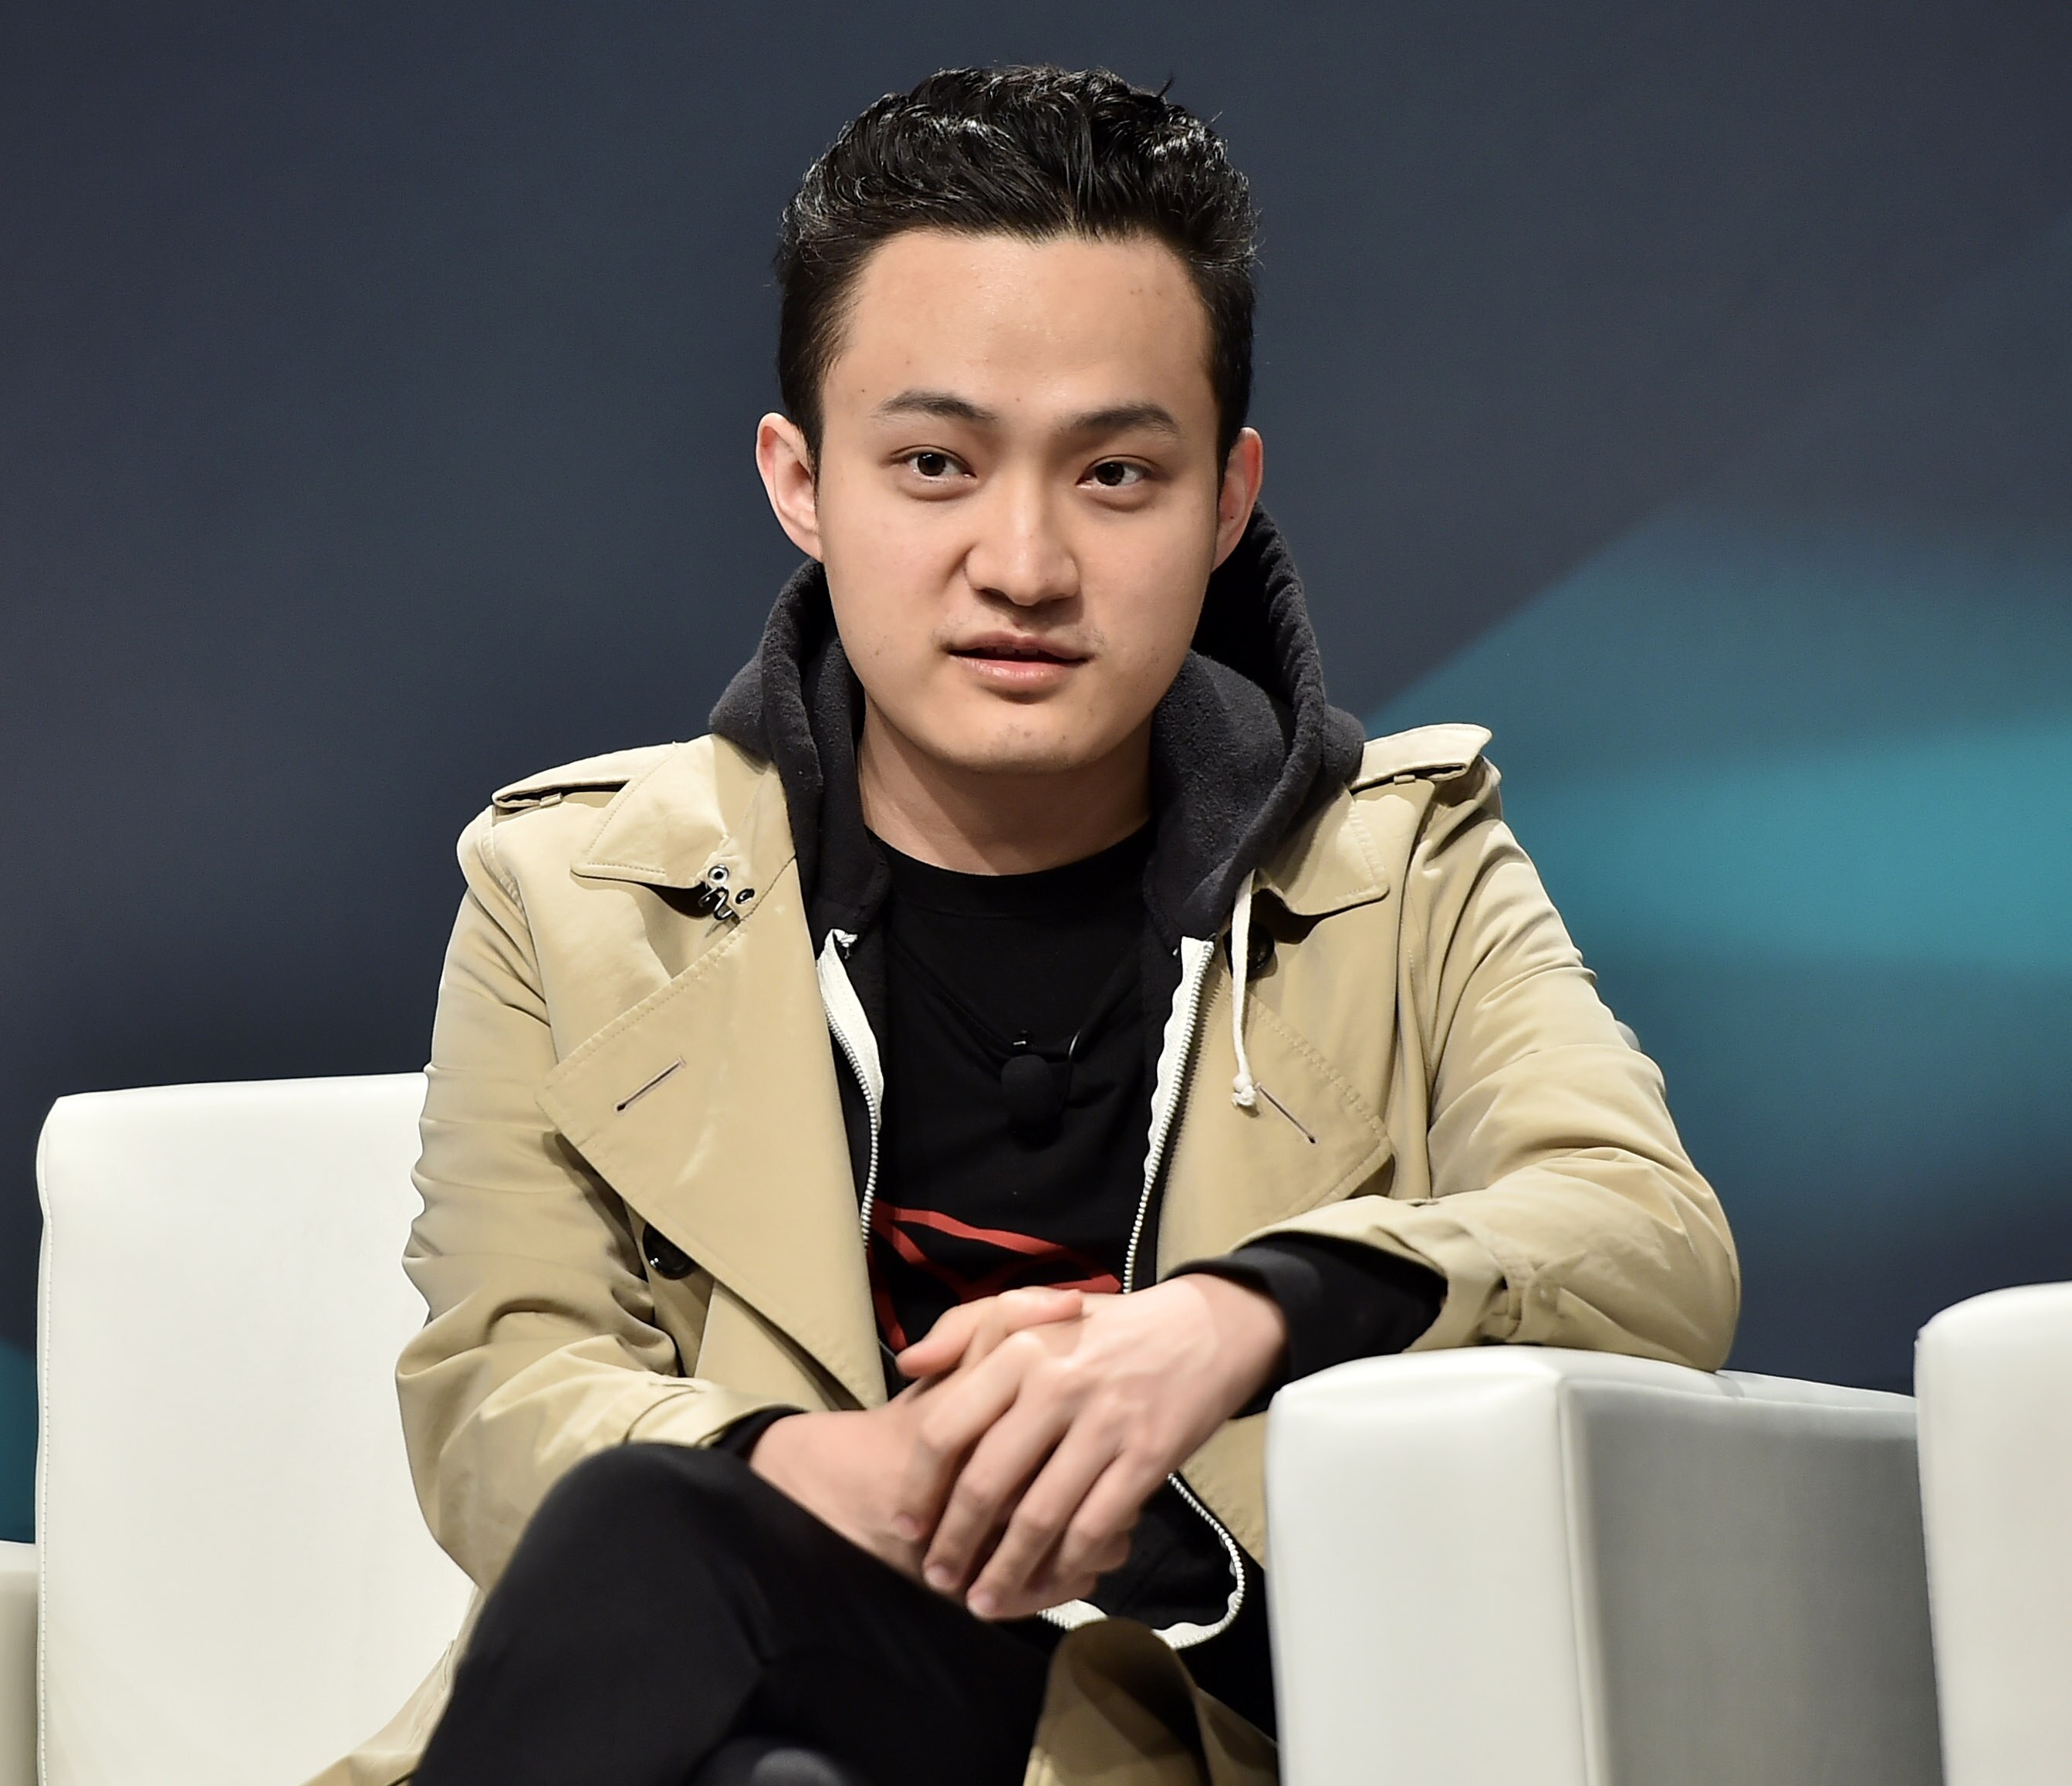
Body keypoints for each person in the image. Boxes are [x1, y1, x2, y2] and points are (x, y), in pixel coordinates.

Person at [329, 65, 1739, 1786]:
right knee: (678, 1583)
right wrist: (807, 1465)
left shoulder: (1403, 861)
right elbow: (497, 1390)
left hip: (1176, 1716)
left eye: (1115, 476)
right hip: (752, 1659)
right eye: (932, 461)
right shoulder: (571, 891)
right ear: (800, 479)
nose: (1022, 559)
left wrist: (1229, 1323)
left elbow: (1644, 1235)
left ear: (1225, 498)